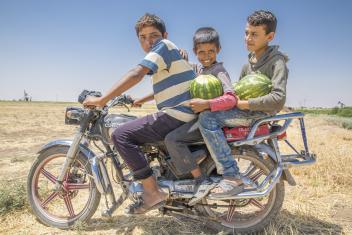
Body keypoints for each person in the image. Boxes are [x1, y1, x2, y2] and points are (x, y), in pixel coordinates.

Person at [83, 13, 197, 214]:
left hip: (178, 113)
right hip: (183, 113)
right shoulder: (167, 52)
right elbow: (166, 86)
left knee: (121, 134)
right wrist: (140, 100)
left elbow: (136, 74)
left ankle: (152, 192)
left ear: (164, 34)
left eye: (153, 35)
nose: (148, 41)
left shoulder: (164, 46)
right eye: (142, 38)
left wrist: (102, 101)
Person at [197, 10, 289, 198]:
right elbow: (237, 92)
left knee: (207, 119)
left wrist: (245, 104)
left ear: (269, 36)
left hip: (259, 114)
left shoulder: (277, 61)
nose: (248, 38)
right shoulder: (248, 64)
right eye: (246, 32)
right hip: (245, 110)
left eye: (254, 34)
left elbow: (278, 99)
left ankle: (231, 176)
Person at [164, 27, 237, 205]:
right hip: (197, 119)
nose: (206, 55)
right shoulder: (200, 69)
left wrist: (207, 104)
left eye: (211, 51)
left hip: (207, 122)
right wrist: (181, 55)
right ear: (196, 51)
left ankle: (199, 180)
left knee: (172, 140)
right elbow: (186, 69)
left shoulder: (218, 70)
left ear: (218, 49)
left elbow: (231, 98)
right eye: (201, 52)